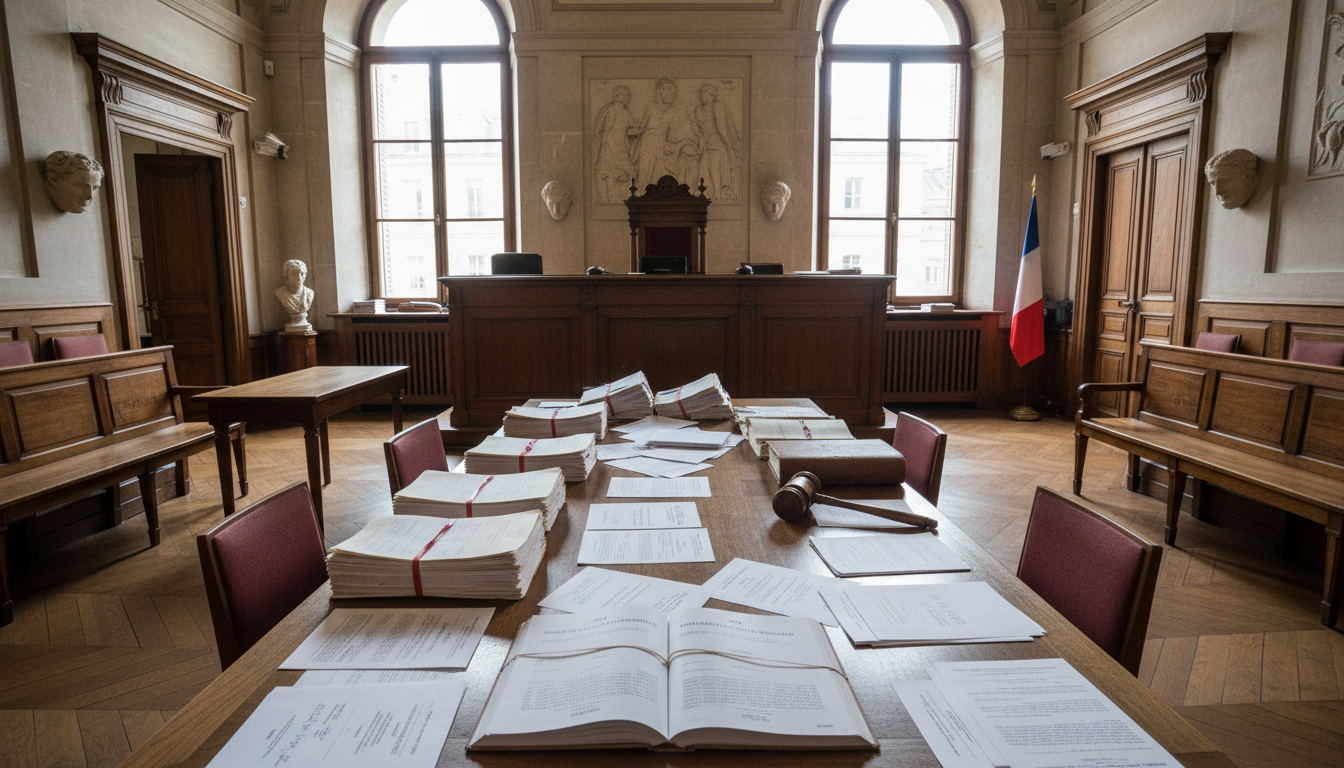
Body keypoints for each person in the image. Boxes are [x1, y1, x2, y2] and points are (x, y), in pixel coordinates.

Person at [631, 78, 693, 188]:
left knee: (659, 172)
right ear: (660, 92)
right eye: (667, 92)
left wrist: (685, 142)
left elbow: (673, 134)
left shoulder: (671, 111)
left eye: (672, 93)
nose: (670, 95)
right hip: (647, 141)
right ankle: (642, 194)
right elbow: (642, 128)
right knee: (645, 168)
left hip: (661, 143)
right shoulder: (652, 107)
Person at [691, 83, 741, 202]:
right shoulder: (698, 110)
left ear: (712, 96)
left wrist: (729, 146)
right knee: (704, 169)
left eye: (705, 93)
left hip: (717, 144)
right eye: (701, 93)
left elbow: (721, 127)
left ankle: (718, 194)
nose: (702, 95)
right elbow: (698, 128)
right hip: (706, 144)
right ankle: (708, 193)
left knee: (714, 170)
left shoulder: (717, 107)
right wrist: (701, 139)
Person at [591, 85, 637, 203]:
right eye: (623, 95)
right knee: (610, 175)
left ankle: (629, 197)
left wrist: (647, 129)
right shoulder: (611, 110)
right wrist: (599, 152)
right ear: (616, 96)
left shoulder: (626, 112)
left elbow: (634, 129)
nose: (626, 98)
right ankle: (609, 201)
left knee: (631, 171)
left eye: (628, 95)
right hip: (609, 149)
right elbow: (603, 131)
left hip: (622, 150)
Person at [274, 259, 315, 332]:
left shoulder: (309, 293)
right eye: (294, 274)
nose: (299, 278)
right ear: (286, 276)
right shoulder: (280, 293)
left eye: (302, 274)